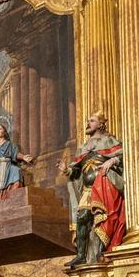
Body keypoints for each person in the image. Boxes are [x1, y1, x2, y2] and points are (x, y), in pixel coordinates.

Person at [58, 112, 126, 267]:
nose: (88, 123)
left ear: (101, 124)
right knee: (82, 217)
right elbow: (77, 170)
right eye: (88, 121)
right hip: (88, 189)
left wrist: (112, 161)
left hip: (104, 185)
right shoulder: (83, 147)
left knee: (102, 218)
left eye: (92, 121)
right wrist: (66, 170)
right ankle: (81, 255)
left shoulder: (109, 140)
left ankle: (100, 253)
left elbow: (125, 153)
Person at [0, 120, 34, 203]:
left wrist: (23, 157)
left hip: (8, 164)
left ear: (4, 131)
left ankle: (13, 194)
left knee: (16, 170)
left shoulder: (10, 144)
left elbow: (15, 154)